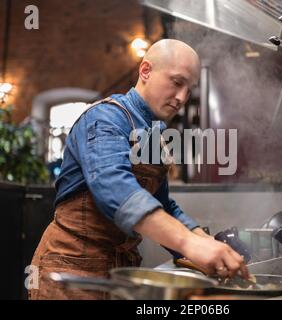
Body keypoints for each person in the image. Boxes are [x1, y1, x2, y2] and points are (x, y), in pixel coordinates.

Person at [29, 39, 249, 300]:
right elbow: (117, 190)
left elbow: (163, 205)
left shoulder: (155, 134)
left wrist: (204, 241)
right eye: (177, 82)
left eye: (189, 90)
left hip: (122, 272)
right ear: (146, 71)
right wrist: (189, 243)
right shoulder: (104, 119)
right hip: (72, 268)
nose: (182, 98)